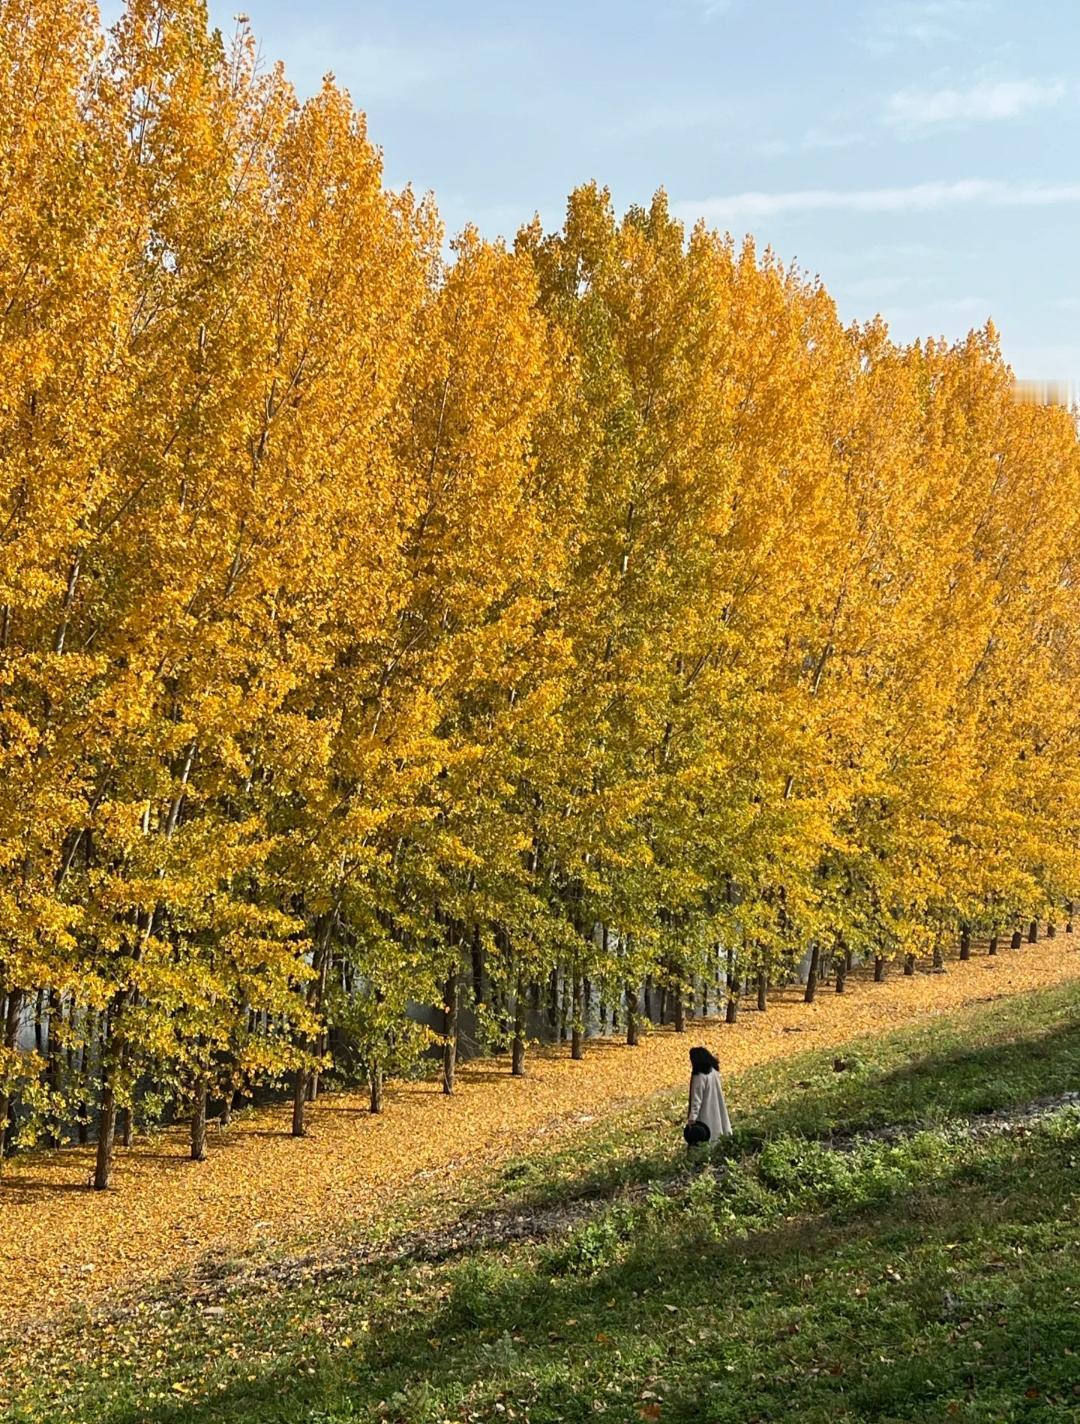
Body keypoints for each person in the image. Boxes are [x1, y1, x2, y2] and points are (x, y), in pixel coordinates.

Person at [683, 1046, 731, 1146]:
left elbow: (696, 1099)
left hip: (705, 1113)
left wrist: (692, 1118)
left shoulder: (699, 1076)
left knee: (708, 1138)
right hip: (717, 1107)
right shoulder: (714, 1071)